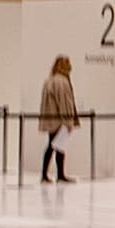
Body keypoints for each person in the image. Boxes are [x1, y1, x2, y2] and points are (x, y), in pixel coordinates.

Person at [39, 55, 80, 184]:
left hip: (51, 119)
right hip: (59, 120)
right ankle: (57, 175)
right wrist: (68, 120)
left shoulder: (49, 80)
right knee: (56, 146)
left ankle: (49, 174)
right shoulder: (62, 82)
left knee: (54, 146)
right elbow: (64, 103)